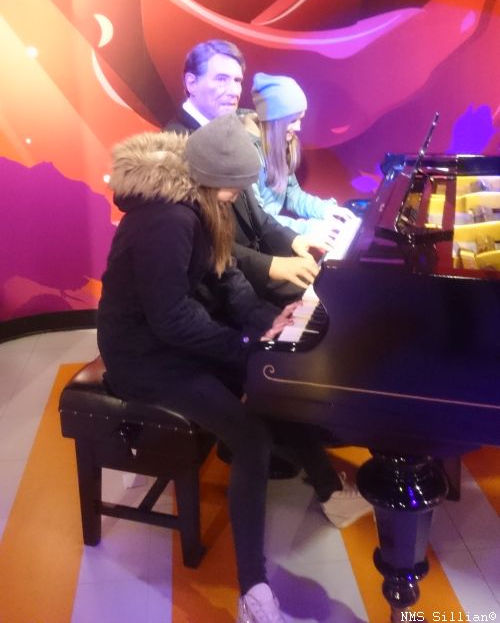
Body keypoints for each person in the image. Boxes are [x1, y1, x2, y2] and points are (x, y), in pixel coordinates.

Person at [97, 114, 371, 623]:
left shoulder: (204, 201)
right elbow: (170, 319)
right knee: (251, 437)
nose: (239, 196)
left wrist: (269, 326)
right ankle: (253, 592)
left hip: (171, 340)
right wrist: (244, 347)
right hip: (142, 357)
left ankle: (329, 491)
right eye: (235, 187)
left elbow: (226, 277)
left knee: (276, 382)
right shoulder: (167, 220)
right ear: (212, 177)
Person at [166, 39, 321, 307]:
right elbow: (201, 245)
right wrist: (270, 266)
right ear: (191, 83)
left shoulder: (229, 128)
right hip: (218, 290)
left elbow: (253, 211)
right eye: (221, 79)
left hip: (247, 269)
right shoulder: (175, 145)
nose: (233, 90)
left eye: (237, 80)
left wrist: (292, 239)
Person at [249, 72, 359, 242]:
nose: (299, 127)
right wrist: (308, 228)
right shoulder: (247, 155)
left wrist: (325, 210)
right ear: (275, 120)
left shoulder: (284, 143)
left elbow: (292, 193)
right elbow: (258, 219)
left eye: (300, 119)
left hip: (275, 236)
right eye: (293, 120)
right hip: (259, 243)